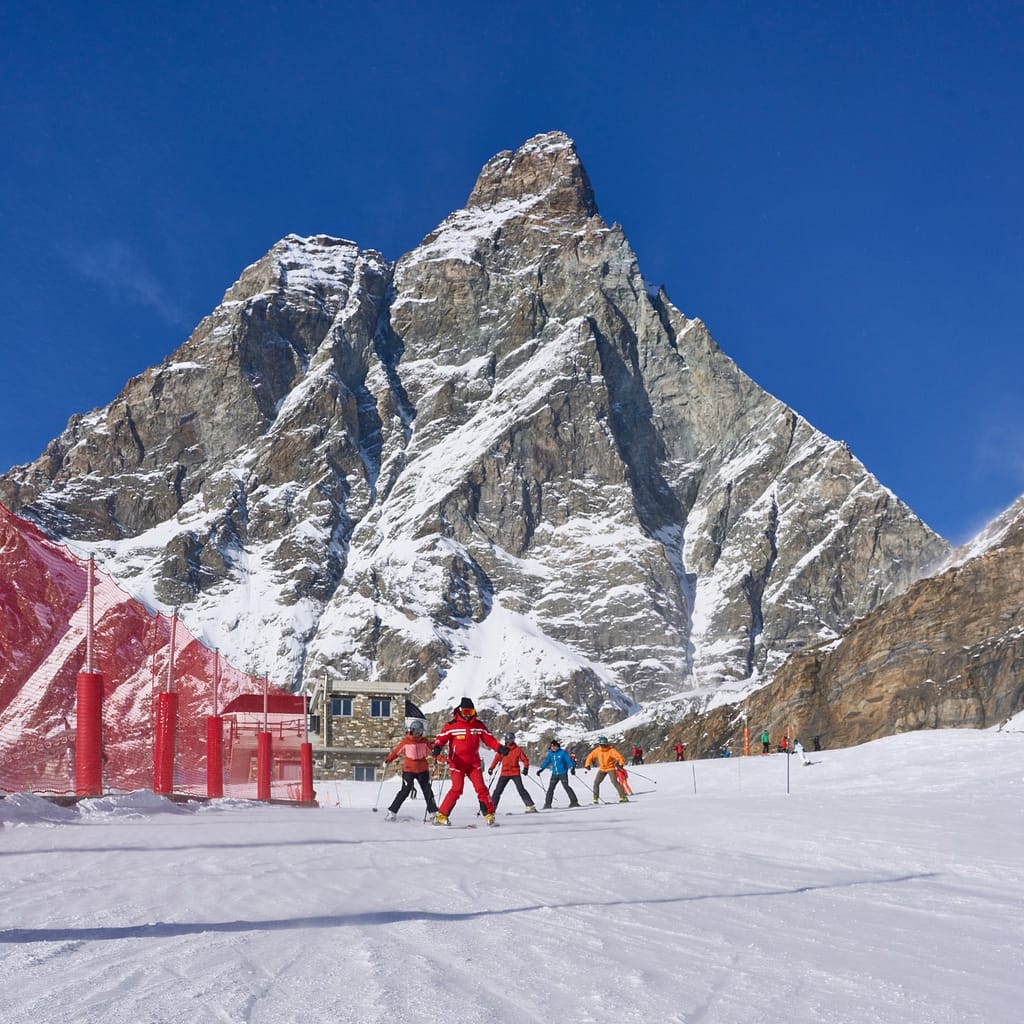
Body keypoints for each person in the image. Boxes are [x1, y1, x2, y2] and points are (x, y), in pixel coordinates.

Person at [431, 697, 507, 825]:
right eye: (465, 712)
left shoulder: (478, 726)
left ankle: (489, 814)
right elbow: (441, 738)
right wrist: (437, 747)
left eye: (470, 713)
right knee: (457, 788)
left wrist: (499, 748)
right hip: (457, 764)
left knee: (481, 788)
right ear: (460, 711)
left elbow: (489, 740)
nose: (467, 716)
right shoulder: (452, 725)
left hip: (473, 764)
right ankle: (441, 815)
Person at [383, 721, 438, 820]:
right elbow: (396, 752)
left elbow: (433, 753)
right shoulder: (406, 742)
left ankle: (433, 812)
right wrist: (388, 760)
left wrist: (444, 760)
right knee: (405, 790)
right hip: (409, 769)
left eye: (421, 731)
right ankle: (392, 812)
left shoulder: (424, 741)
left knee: (427, 790)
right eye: (418, 731)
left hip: (422, 769)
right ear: (412, 730)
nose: (419, 733)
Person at [486, 733, 537, 813]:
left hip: (515, 773)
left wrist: (526, 768)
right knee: (497, 791)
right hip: (504, 773)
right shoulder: (502, 749)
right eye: (507, 740)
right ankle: (491, 809)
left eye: (510, 740)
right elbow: (496, 759)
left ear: (513, 740)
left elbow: (525, 760)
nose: (508, 742)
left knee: (521, 789)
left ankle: (530, 806)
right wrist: (491, 768)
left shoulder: (517, 750)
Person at [536, 739, 580, 808]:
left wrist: (572, 768)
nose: (553, 748)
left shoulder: (562, 753)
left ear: (558, 746)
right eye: (552, 746)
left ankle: (574, 802)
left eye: (554, 746)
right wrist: (541, 769)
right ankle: (547, 804)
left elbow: (569, 760)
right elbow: (547, 761)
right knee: (550, 789)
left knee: (566, 786)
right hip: (554, 774)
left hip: (563, 773)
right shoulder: (550, 754)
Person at [584, 736, 629, 803]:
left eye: (604, 745)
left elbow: (619, 757)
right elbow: (590, 757)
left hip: (610, 768)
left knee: (615, 782)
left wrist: (621, 764)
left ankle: (623, 797)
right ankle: (595, 799)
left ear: (607, 743)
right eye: (601, 745)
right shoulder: (597, 750)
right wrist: (587, 764)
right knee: (596, 783)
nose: (603, 746)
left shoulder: (611, 751)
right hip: (602, 769)